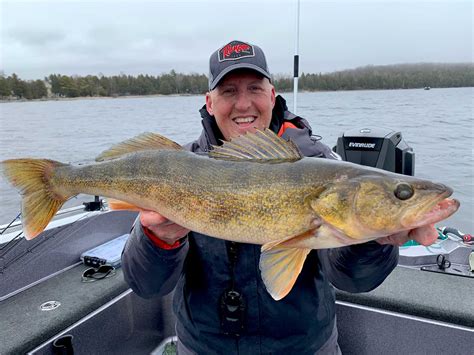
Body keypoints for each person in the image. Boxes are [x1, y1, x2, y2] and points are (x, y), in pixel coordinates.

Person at [122, 40, 439, 354]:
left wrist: (373, 241)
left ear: (272, 96)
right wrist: (156, 240)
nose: (243, 104)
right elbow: (146, 286)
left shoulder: (323, 165)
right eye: (229, 91)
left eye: (255, 89)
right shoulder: (175, 169)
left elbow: (352, 279)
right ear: (209, 101)